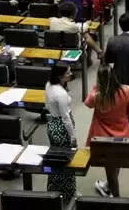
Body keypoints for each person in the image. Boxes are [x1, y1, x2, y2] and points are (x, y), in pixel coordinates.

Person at [84, 63, 129, 198]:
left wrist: (96, 88)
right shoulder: (127, 91)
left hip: (103, 139)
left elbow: (87, 103)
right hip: (123, 135)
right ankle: (108, 186)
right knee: (116, 163)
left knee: (110, 168)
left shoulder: (97, 96)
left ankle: (116, 199)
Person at [45, 63, 78, 200]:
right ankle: (69, 193)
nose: (70, 74)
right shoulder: (61, 94)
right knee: (67, 162)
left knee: (55, 159)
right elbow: (66, 118)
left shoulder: (48, 85)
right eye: (67, 73)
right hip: (62, 129)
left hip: (52, 124)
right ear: (59, 76)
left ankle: (53, 190)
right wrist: (73, 136)